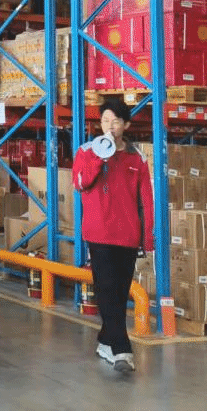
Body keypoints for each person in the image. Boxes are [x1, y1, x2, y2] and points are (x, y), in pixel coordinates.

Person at [73, 99, 154, 374]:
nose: (110, 126)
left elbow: (146, 200)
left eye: (116, 121)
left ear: (126, 125)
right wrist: (100, 157)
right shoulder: (86, 151)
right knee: (107, 289)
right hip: (99, 233)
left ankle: (106, 340)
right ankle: (122, 349)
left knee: (119, 293)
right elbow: (81, 182)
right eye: (105, 120)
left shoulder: (137, 158)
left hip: (128, 235)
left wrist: (148, 237)